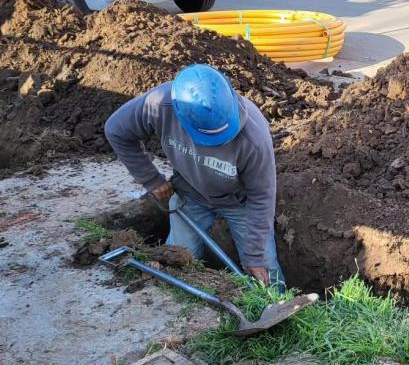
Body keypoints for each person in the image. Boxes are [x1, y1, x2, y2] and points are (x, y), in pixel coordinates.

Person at [105, 64, 284, 287]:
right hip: (190, 194)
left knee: (266, 272)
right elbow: (116, 130)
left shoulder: (254, 139)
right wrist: (151, 179)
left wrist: (254, 256)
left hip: (240, 202)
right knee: (174, 265)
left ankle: (281, 312)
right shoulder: (161, 104)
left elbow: (262, 197)